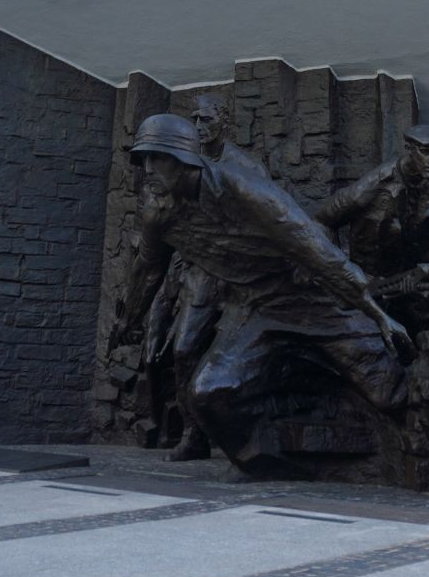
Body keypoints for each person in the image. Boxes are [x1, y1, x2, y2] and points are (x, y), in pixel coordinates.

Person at [118, 113, 411, 478]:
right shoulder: (157, 209)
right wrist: (129, 320)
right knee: (210, 392)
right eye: (143, 159)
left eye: (156, 158)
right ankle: (273, 465)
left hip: (311, 297)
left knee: (388, 392)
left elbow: (315, 249)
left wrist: (375, 312)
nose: (147, 169)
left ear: (184, 160)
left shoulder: (243, 188)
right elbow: (147, 268)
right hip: (253, 306)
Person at [141, 94, 249, 460]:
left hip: (229, 270)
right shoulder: (188, 160)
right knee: (168, 342)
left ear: (224, 123)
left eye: (206, 120)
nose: (200, 128)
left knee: (200, 350)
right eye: (196, 121)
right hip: (189, 267)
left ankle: (213, 433)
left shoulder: (242, 166)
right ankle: (178, 429)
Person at [316, 123, 429, 337]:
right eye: (425, 151)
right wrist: (342, 272)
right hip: (368, 282)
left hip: (420, 280)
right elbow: (322, 221)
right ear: (409, 148)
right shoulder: (375, 184)